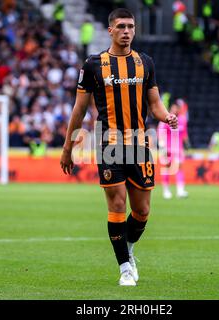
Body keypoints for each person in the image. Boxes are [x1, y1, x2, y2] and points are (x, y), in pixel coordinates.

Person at [60, 8, 178, 286]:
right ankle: (125, 267)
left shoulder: (145, 62)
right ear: (111, 30)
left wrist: (166, 115)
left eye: (131, 27)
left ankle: (127, 247)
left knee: (142, 211)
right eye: (121, 26)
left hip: (139, 143)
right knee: (116, 203)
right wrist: (68, 147)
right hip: (108, 143)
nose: (126, 31)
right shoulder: (93, 65)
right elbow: (78, 110)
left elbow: (154, 103)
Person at [158, 101, 189, 199]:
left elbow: (184, 133)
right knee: (167, 168)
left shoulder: (182, 120)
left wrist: (186, 144)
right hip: (168, 148)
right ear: (171, 108)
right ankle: (166, 191)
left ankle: (180, 191)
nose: (175, 110)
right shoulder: (166, 119)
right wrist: (162, 147)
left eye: (177, 108)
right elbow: (161, 134)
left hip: (178, 149)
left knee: (180, 168)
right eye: (174, 108)